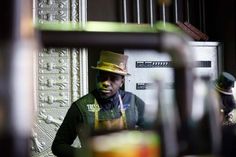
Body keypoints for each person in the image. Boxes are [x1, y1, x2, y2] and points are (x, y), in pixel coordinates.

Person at [51, 51, 146, 157]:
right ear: (96, 76)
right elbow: (58, 146)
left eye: (113, 78)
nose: (106, 83)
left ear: (122, 82)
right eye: (102, 76)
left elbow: (154, 136)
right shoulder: (80, 107)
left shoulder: (133, 102)